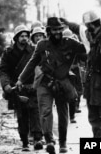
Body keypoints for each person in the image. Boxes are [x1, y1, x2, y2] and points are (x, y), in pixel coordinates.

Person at [16, 17, 87, 153]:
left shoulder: (70, 43)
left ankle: (63, 143)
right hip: (44, 82)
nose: (57, 32)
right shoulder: (42, 45)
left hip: (62, 83)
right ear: (49, 30)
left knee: (63, 113)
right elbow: (32, 63)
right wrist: (21, 79)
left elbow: (85, 51)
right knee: (45, 111)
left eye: (60, 29)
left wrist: (81, 34)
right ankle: (49, 141)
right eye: (54, 30)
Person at [0, 24, 43, 151]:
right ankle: (24, 141)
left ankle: (37, 139)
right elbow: (3, 71)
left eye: (26, 36)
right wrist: (6, 85)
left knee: (35, 112)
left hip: (32, 86)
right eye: (21, 36)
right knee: (22, 115)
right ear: (16, 37)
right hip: (17, 88)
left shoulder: (34, 50)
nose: (24, 38)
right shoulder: (9, 53)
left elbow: (41, 67)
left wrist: (38, 83)